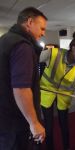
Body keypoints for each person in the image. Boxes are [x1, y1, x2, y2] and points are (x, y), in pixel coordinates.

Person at [0, 7, 47, 150]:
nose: (43, 33)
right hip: (15, 122)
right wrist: (34, 123)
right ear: (29, 22)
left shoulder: (4, 39)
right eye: (42, 28)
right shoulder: (22, 46)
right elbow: (21, 89)